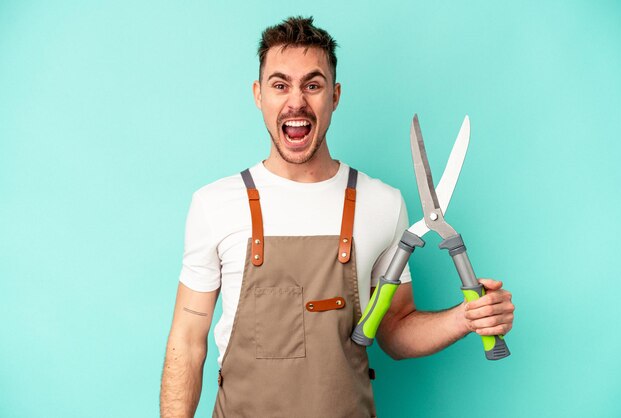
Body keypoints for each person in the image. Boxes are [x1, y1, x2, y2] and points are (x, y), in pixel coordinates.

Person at [160, 16, 515, 418]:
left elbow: (395, 329)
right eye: (280, 85)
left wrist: (466, 317)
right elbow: (187, 341)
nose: (296, 102)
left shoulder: (382, 203)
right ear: (259, 94)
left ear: (335, 95)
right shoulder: (215, 204)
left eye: (313, 85)